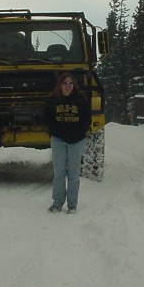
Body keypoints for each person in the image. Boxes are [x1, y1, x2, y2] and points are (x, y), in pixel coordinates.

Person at [44, 72, 91, 213]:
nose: (68, 86)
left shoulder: (81, 100)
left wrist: (79, 133)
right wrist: (56, 133)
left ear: (73, 85)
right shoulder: (53, 100)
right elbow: (48, 119)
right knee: (58, 173)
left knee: (73, 173)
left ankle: (72, 205)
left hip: (77, 141)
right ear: (60, 85)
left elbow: (86, 119)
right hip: (58, 140)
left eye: (70, 83)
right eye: (65, 83)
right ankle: (57, 203)